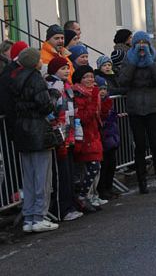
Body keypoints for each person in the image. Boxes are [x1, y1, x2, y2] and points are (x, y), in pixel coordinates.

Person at [10, 48, 59, 232]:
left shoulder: (15, 78)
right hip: (37, 129)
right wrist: (54, 96)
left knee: (29, 177)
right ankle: (39, 216)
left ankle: (29, 217)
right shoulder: (36, 78)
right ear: (34, 61)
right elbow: (45, 106)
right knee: (42, 176)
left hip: (22, 129)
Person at [118, 31, 156, 193]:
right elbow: (122, 81)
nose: (141, 46)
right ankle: (142, 181)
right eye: (138, 43)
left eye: (144, 43)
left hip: (153, 105)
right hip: (135, 106)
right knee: (139, 145)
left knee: (155, 144)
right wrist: (133, 62)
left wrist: (149, 61)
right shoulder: (128, 59)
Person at [45, 57, 83, 221]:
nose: (67, 71)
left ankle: (70, 204)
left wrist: (76, 129)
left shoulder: (67, 86)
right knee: (61, 174)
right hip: (59, 133)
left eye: (67, 68)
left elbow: (72, 108)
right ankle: (62, 209)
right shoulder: (53, 85)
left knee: (68, 172)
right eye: (62, 69)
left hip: (69, 132)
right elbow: (51, 108)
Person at [72, 66, 104, 213]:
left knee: (95, 167)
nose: (90, 79)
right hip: (84, 136)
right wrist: (92, 101)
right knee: (93, 167)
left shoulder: (93, 94)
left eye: (91, 76)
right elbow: (84, 117)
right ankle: (82, 196)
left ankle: (88, 196)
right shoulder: (79, 95)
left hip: (93, 133)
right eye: (86, 77)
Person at [96, 76, 121, 200]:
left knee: (112, 164)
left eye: (104, 89)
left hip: (111, 137)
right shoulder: (97, 104)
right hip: (103, 137)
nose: (102, 91)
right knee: (104, 165)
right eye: (100, 89)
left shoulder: (108, 102)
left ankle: (109, 187)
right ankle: (103, 189)